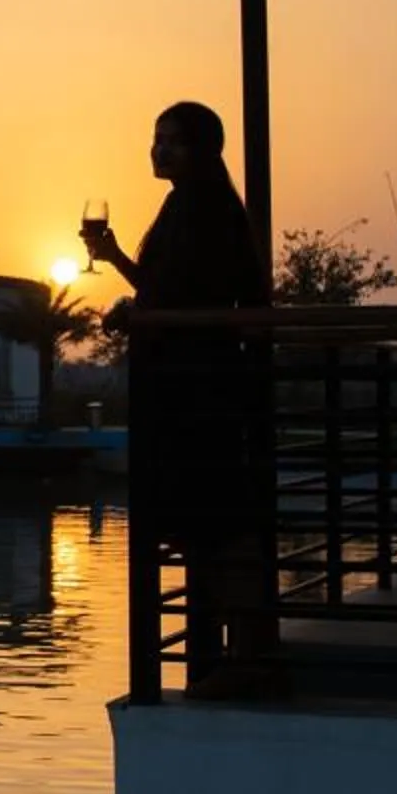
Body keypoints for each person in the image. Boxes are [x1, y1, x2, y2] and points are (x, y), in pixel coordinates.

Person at [81, 101, 273, 675]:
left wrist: (139, 311)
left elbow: (184, 297)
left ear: (203, 150)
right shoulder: (188, 202)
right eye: (155, 138)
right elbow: (165, 291)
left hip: (199, 388)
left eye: (173, 141)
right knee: (204, 525)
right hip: (191, 382)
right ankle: (223, 654)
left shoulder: (204, 210)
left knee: (211, 523)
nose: (159, 150)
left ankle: (238, 654)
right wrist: (115, 259)